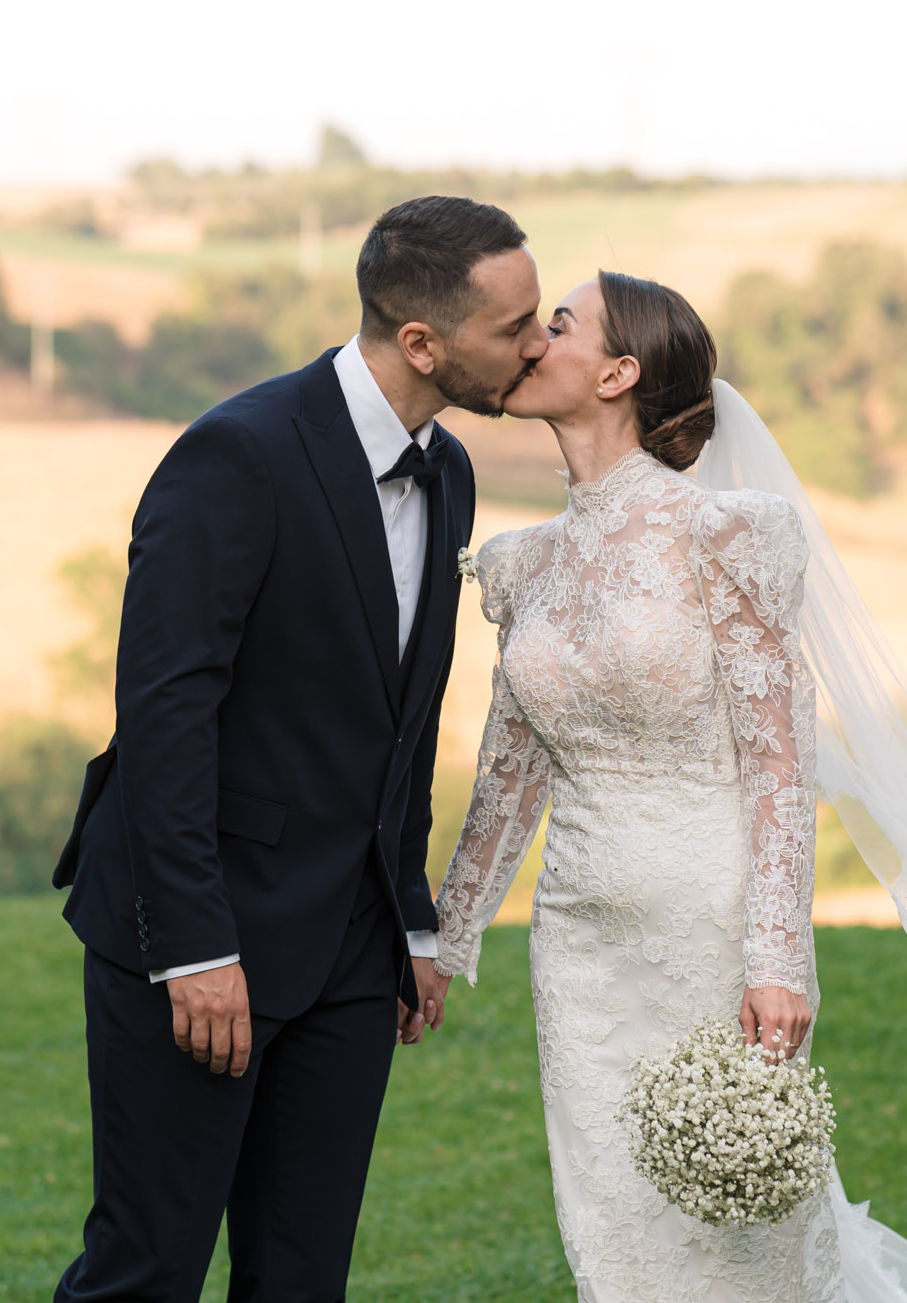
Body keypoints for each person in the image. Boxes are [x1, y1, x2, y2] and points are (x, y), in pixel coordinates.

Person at [429, 271, 907, 1301]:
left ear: (618, 372)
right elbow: (509, 770)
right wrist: (444, 938)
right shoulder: (525, 563)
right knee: (613, 1226)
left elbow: (777, 764)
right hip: (578, 942)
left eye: (561, 324)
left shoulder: (724, 533)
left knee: (744, 1235)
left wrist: (777, 956)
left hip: (710, 930)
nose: (533, 340)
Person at [49, 195, 547, 1302]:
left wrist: (408, 912)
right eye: (512, 328)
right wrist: (190, 947)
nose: (538, 344)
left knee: (300, 1278)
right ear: (420, 342)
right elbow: (165, 715)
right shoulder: (238, 453)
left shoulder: (451, 471)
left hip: (350, 956)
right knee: (147, 1268)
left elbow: (398, 722)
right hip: (195, 935)